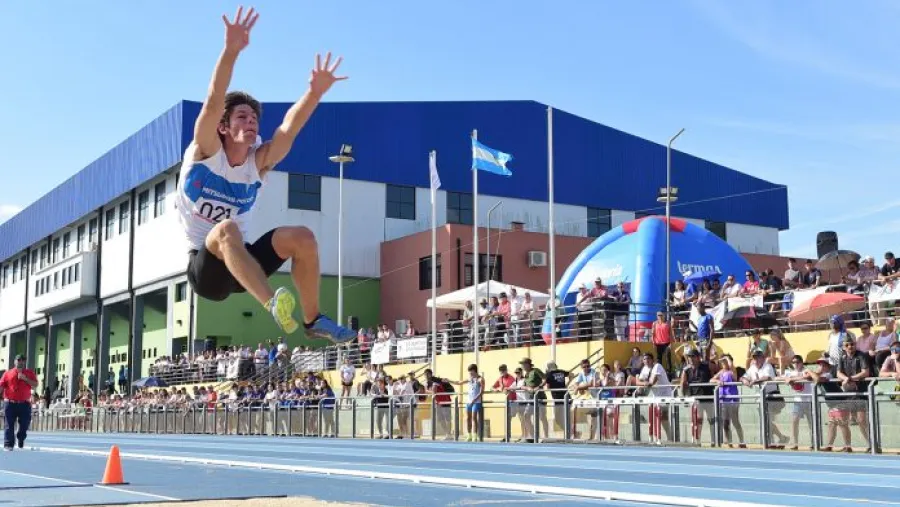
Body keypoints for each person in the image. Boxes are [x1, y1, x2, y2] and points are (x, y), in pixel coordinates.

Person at [174, 6, 354, 343]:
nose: (250, 121)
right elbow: (214, 99)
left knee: (302, 236)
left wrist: (314, 93)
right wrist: (230, 51)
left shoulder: (259, 162)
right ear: (224, 127)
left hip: (245, 266)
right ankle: (273, 304)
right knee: (225, 228)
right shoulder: (205, 150)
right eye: (241, 116)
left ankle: (313, 319)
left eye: (253, 117)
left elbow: (288, 129)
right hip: (207, 269)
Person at [1, 355, 38, 451]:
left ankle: (21, 438)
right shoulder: (7, 373)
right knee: (9, 424)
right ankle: (8, 444)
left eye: (23, 360)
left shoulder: (29, 373)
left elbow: (35, 384)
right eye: (19, 360)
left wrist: (25, 379)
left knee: (25, 424)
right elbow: (1, 385)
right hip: (10, 403)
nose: (21, 362)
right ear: (15, 361)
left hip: (24, 404)